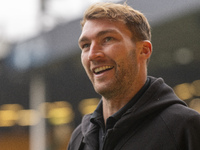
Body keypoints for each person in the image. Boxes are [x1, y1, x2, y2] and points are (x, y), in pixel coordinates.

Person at [67, 2, 200, 150]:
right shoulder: (79, 138)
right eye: (85, 45)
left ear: (144, 50)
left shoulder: (185, 127)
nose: (92, 54)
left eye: (108, 39)